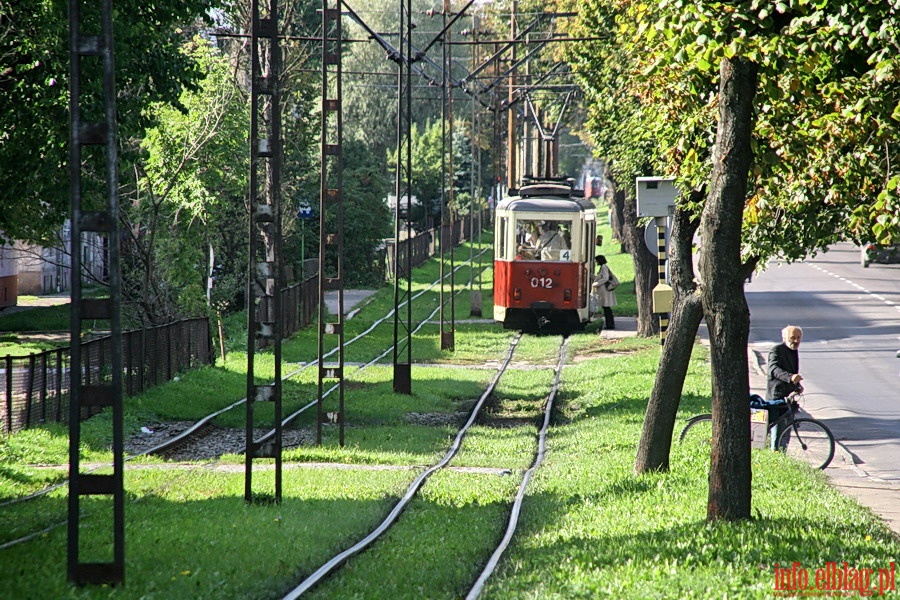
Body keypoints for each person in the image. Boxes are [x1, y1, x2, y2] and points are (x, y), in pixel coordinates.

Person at [762, 325, 804, 448]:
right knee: (777, 431)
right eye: (792, 338)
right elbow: (774, 369)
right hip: (776, 396)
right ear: (784, 338)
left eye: (798, 338)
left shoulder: (793, 351)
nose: (796, 341)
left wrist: (797, 385)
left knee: (786, 432)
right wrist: (790, 377)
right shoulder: (776, 350)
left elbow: (792, 371)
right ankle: (775, 455)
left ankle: (781, 455)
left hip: (788, 397)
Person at [591, 254, 617, 330]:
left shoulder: (604, 267)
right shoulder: (603, 267)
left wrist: (597, 283)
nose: (596, 262)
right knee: (606, 308)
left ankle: (610, 324)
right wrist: (591, 275)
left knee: (606, 308)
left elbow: (605, 278)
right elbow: (599, 277)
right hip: (604, 291)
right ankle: (609, 324)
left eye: (597, 261)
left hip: (605, 291)